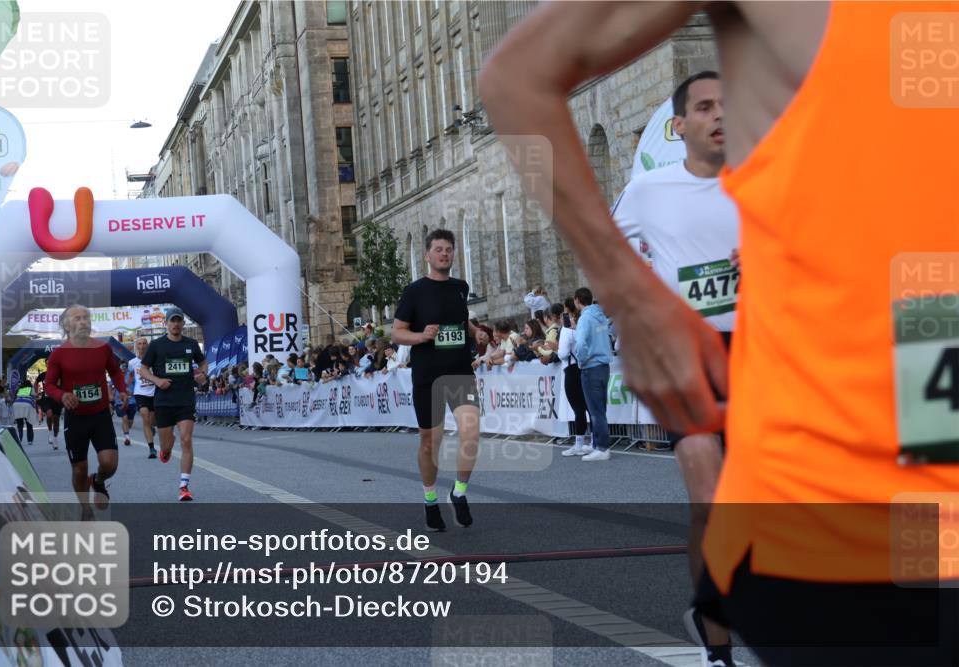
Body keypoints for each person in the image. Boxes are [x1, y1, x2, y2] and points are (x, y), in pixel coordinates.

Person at [481, 3, 958, 665]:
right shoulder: (656, 187)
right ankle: (715, 625)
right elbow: (517, 76)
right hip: (841, 517)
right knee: (706, 481)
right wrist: (635, 305)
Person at [609, 70, 739, 665]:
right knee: (708, 498)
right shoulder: (649, 192)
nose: (719, 115)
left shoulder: (763, 183)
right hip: (690, 358)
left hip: (763, 353)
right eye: (704, 106)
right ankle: (718, 646)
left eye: (726, 106)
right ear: (679, 125)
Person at [392, 229, 479, 532]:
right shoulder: (414, 291)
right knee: (430, 443)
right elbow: (397, 332)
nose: (444, 254)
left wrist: (475, 331)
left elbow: (460, 320)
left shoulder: (460, 287)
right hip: (428, 376)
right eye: (439, 250)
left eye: (449, 250)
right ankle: (430, 500)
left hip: (459, 372)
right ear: (427, 255)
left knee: (471, 436)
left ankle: (459, 493)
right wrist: (421, 336)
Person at [44, 305, 128, 510]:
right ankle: (85, 508)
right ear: (67, 324)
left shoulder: (103, 348)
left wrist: (122, 390)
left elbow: (115, 371)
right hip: (76, 418)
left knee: (110, 464)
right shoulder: (59, 354)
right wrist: (62, 395)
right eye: (78, 318)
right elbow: (49, 385)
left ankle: (98, 480)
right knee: (79, 469)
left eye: (86, 318)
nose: (84, 322)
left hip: (100, 415)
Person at [138, 307, 207, 501]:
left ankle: (184, 486)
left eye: (179, 321)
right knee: (167, 447)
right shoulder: (157, 345)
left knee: (186, 439)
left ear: (183, 324)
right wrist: (157, 381)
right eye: (172, 321)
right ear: (166, 324)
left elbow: (203, 363)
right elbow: (143, 369)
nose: (176, 324)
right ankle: (166, 448)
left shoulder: (192, 344)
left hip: (185, 399)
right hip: (164, 402)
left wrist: (203, 374)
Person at [572, 288, 612, 462]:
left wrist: (582, 360)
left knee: (596, 410)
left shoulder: (585, 318)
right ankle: (598, 444)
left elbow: (580, 344)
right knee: (600, 408)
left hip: (591, 366)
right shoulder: (600, 316)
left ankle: (602, 447)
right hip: (604, 365)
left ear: (576, 300)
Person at [558, 303, 592, 457]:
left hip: (571, 370)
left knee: (578, 408)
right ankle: (593, 441)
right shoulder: (582, 327)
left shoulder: (566, 331)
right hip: (583, 367)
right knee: (588, 407)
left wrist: (556, 349)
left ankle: (579, 444)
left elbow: (563, 353)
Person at [127, 337, 158, 459]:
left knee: (153, 420)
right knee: (145, 417)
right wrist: (128, 386)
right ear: (136, 346)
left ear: (148, 345)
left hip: (154, 392)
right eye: (140, 343)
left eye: (145, 343)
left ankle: (152, 427)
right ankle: (151, 449)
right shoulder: (132, 363)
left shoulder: (154, 359)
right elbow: (129, 375)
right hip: (140, 393)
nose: (142, 346)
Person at [35, 369, 63, 450]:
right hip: (47, 398)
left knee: (56, 420)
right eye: (47, 363)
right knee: (49, 414)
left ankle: (55, 438)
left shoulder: (60, 373)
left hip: (57, 398)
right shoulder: (44, 374)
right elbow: (36, 382)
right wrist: (36, 392)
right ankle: (50, 432)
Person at [111, 366, 137, 448]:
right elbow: (110, 386)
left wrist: (133, 393)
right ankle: (127, 438)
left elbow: (138, 386)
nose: (123, 368)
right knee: (124, 418)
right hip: (120, 402)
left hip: (132, 401)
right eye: (121, 366)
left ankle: (127, 431)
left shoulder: (131, 375)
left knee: (129, 422)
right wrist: (111, 395)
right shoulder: (115, 376)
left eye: (125, 366)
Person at [12, 379, 36, 446]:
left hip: (17, 405)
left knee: (20, 424)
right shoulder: (31, 389)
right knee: (29, 424)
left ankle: (19, 439)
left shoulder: (19, 389)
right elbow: (34, 397)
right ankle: (30, 440)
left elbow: (14, 397)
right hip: (27, 405)